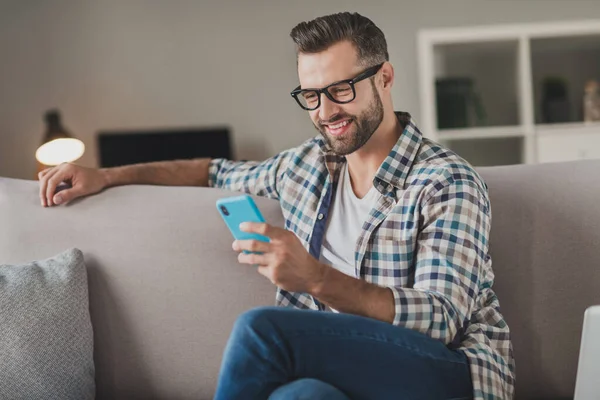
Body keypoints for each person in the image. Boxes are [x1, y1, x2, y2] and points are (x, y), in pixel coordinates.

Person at [38, 12, 515, 400]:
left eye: (341, 90)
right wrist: (105, 175)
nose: (325, 112)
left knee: (264, 331)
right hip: (345, 374)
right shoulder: (306, 165)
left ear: (385, 77)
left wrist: (315, 279)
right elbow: (211, 171)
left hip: (452, 377)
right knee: (302, 397)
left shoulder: (446, 180)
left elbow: (441, 320)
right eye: (311, 95)